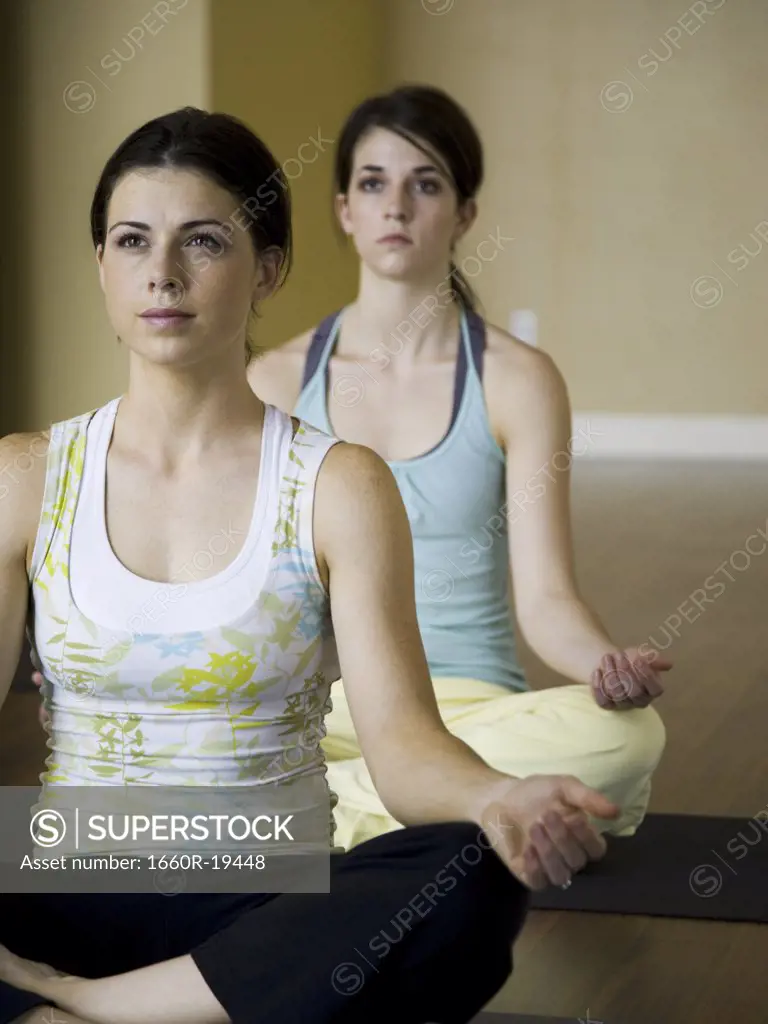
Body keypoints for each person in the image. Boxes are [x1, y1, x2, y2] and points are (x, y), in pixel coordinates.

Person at [0, 106, 618, 1024]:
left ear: (269, 269)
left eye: (202, 241)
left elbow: (404, 751)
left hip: (264, 890)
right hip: (70, 874)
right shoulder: (27, 474)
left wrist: (497, 795)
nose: (162, 273)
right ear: (102, 265)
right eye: (132, 241)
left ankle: (86, 1010)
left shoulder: (339, 484)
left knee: (465, 874)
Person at [244, 84, 671, 853]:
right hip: (337, 713)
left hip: (475, 710)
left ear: (465, 214)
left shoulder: (516, 379)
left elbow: (545, 599)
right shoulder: (275, 381)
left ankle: (327, 816)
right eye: (373, 183)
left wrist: (606, 665)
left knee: (629, 738)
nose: (396, 206)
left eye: (426, 183)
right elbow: (251, 589)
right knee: (229, 732)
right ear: (345, 209)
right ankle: (479, 804)